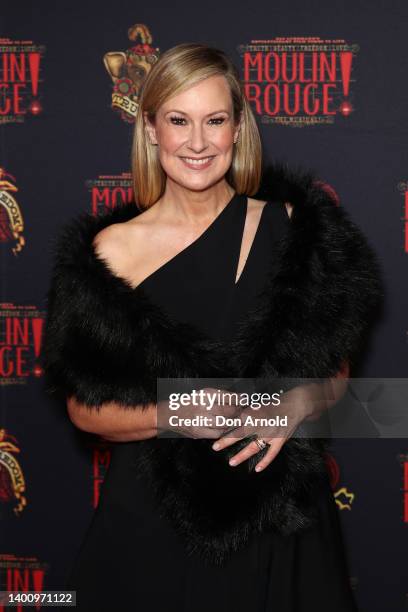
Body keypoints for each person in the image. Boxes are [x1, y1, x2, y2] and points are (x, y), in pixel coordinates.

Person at [41, 43, 383, 611]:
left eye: (214, 120)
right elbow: (84, 409)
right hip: (154, 523)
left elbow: (337, 378)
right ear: (150, 128)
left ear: (237, 127)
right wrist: (179, 413)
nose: (197, 143)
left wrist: (295, 407)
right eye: (178, 121)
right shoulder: (110, 252)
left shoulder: (294, 229)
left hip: (285, 522)